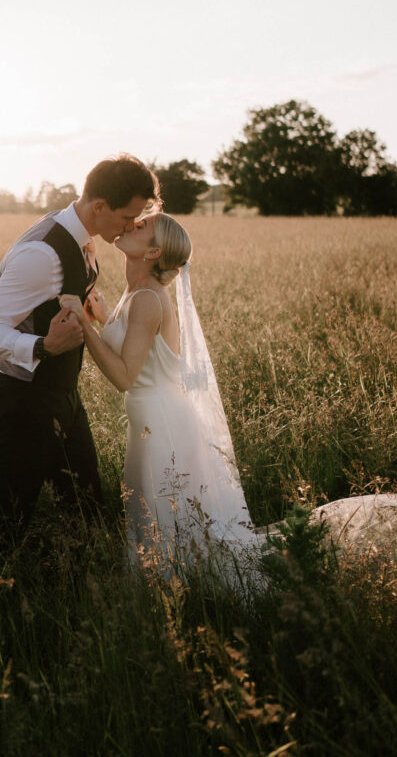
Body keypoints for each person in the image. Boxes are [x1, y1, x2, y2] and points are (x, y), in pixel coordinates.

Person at [60, 211, 262, 583]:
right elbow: (140, 351)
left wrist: (84, 324)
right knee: (155, 515)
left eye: (140, 227)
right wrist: (105, 320)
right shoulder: (137, 292)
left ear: (153, 252)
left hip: (162, 426)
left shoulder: (149, 299)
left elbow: (124, 376)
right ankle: (166, 590)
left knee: (161, 515)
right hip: (150, 420)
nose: (128, 226)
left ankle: (169, 594)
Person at [0, 154, 161, 546]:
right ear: (99, 207)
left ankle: (81, 584)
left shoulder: (82, 236)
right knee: (5, 526)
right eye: (128, 217)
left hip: (62, 397)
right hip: (21, 403)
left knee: (88, 508)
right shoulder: (41, 254)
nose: (132, 226)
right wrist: (44, 344)